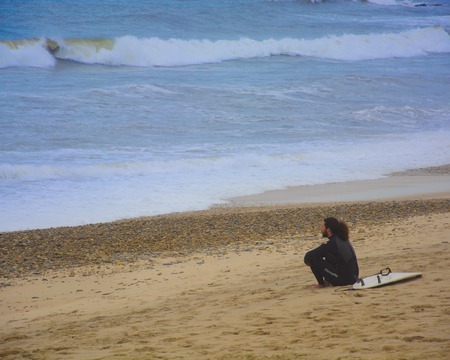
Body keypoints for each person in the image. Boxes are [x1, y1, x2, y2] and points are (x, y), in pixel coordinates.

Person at [304, 217, 359, 288]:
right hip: (353, 278)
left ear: (328, 230)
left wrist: (312, 264)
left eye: (322, 226)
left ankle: (321, 284)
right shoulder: (342, 239)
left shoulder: (332, 243)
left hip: (344, 281)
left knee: (313, 259)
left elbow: (308, 256)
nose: (320, 229)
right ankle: (328, 281)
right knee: (328, 254)